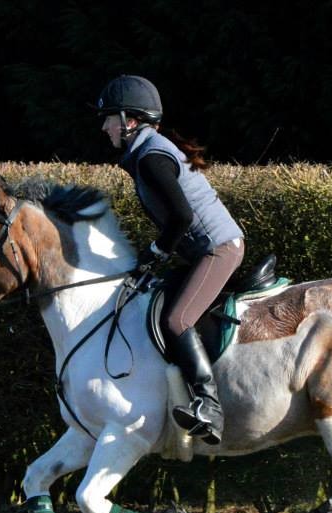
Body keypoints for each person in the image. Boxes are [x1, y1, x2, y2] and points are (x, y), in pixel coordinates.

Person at [97, 74, 244, 445]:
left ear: (131, 121)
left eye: (109, 118)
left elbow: (183, 218)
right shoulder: (147, 151)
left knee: (176, 320)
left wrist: (155, 252)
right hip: (202, 251)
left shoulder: (151, 157)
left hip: (218, 248)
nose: (104, 126)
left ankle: (209, 406)